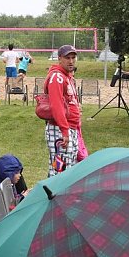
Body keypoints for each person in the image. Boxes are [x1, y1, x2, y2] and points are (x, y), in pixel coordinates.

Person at [45, 45, 83, 177]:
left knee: (70, 167)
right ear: (59, 58)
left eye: (73, 57)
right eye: (67, 58)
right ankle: (52, 197)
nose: (71, 61)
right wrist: (64, 130)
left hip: (68, 128)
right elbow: (57, 105)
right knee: (60, 171)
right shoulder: (57, 77)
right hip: (59, 130)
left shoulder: (67, 76)